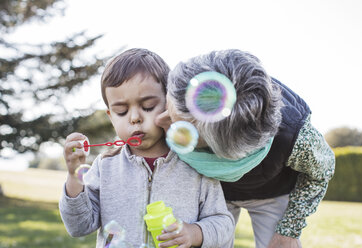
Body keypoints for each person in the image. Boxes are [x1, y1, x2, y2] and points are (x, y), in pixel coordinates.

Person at [155, 49, 336, 248]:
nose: (158, 121)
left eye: (179, 126)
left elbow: (321, 171)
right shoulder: (184, 95)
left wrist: (289, 230)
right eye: (169, 110)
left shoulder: (295, 135)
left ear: (223, 148)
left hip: (271, 193)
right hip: (215, 193)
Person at [59, 48, 235, 248]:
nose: (134, 118)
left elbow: (224, 224)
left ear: (169, 104)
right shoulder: (105, 166)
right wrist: (74, 176)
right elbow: (78, 226)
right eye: (121, 111)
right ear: (110, 116)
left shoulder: (195, 165)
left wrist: (194, 233)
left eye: (148, 106)